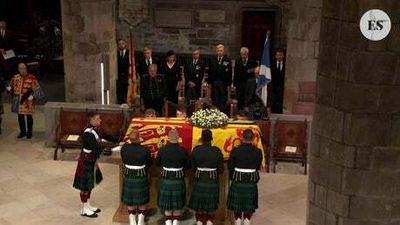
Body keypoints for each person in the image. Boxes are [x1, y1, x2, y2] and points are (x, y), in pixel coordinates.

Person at [72, 112, 106, 218]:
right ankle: (83, 210)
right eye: (98, 119)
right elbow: (96, 148)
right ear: (92, 120)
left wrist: (119, 141)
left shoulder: (96, 129)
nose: (100, 120)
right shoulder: (88, 133)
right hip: (86, 160)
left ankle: (88, 205)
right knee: (85, 186)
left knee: (90, 185)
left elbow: (106, 137)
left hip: (91, 160)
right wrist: (108, 151)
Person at [227, 129, 263, 225]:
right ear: (253, 139)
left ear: (242, 138)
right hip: (251, 182)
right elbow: (258, 166)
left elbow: (230, 166)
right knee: (249, 206)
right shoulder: (258, 152)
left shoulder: (235, 150)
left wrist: (233, 178)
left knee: (237, 206)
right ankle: (247, 221)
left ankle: (237, 221)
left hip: (237, 181)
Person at [189, 130, 224, 225]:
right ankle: (209, 222)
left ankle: (199, 222)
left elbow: (192, 169)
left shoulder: (196, 151)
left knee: (199, 205)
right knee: (211, 206)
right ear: (212, 139)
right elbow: (221, 170)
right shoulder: (217, 151)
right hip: (212, 181)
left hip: (199, 180)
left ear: (201, 139)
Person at [156, 129, 189, 225]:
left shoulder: (162, 150)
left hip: (165, 178)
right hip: (178, 179)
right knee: (177, 204)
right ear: (178, 138)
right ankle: (175, 222)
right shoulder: (183, 151)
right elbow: (187, 166)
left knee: (167, 204)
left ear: (168, 138)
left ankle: (168, 222)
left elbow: (158, 163)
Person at [121, 128, 153, 225]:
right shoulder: (145, 150)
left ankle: (132, 221)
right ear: (139, 138)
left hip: (128, 175)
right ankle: (140, 221)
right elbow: (149, 163)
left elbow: (123, 159)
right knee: (142, 200)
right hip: (141, 176)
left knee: (130, 200)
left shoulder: (124, 148)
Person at [8, 62, 43, 139]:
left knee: (29, 117)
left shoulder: (32, 78)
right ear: (18, 69)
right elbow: (10, 87)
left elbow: (38, 91)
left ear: (26, 68)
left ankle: (29, 132)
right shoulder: (15, 78)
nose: (22, 70)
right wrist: (9, 89)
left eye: (24, 68)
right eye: (21, 68)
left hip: (28, 101)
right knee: (20, 117)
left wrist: (33, 96)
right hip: (18, 101)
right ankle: (23, 132)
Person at [208, 44, 232, 111]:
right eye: (218, 51)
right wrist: (209, 82)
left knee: (222, 98)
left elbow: (229, 73)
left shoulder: (227, 60)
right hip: (214, 82)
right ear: (216, 51)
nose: (219, 52)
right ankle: (215, 111)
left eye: (221, 51)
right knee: (215, 98)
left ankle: (222, 111)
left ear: (223, 51)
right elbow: (210, 72)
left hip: (223, 83)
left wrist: (229, 85)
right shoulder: (212, 59)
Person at [268, 49, 285, 114]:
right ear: (275, 56)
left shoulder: (286, 64)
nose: (279, 57)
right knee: (273, 100)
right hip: (273, 85)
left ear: (283, 56)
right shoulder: (272, 64)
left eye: (281, 55)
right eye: (278, 55)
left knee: (280, 100)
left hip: (282, 86)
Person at [117, 39, 130, 104]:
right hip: (119, 77)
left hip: (127, 76)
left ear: (125, 44)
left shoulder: (129, 53)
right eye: (119, 44)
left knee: (127, 92)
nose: (121, 45)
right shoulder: (116, 54)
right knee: (120, 93)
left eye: (122, 43)